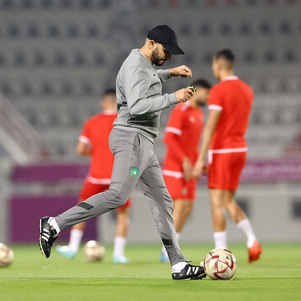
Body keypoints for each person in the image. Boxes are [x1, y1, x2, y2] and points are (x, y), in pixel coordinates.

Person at [39, 24, 206, 280]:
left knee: (163, 202)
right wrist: (174, 97)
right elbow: (138, 106)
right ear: (151, 43)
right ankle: (54, 223)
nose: (169, 56)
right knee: (117, 195)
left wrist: (169, 73)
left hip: (144, 141)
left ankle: (178, 264)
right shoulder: (135, 65)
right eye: (167, 51)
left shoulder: (144, 64)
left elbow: (148, 81)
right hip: (132, 136)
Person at [192, 49, 262, 263]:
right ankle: (252, 241)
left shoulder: (218, 91)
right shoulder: (246, 90)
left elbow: (211, 126)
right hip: (240, 148)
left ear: (218, 65)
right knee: (229, 201)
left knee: (216, 203)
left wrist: (200, 158)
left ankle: (220, 255)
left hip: (222, 150)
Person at [56, 89, 131, 263]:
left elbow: (80, 149)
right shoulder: (126, 122)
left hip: (96, 175)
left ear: (103, 103)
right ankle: (118, 254)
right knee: (123, 214)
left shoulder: (92, 122)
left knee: (82, 209)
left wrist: (96, 152)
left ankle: (73, 248)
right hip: (118, 176)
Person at [159, 79, 211, 263]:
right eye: (206, 93)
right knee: (180, 207)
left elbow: (191, 144)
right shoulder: (181, 110)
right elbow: (170, 139)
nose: (208, 97)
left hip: (189, 168)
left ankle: (171, 248)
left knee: (187, 208)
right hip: (176, 168)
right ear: (196, 92)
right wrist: (185, 161)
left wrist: (199, 162)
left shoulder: (198, 114)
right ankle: (168, 250)